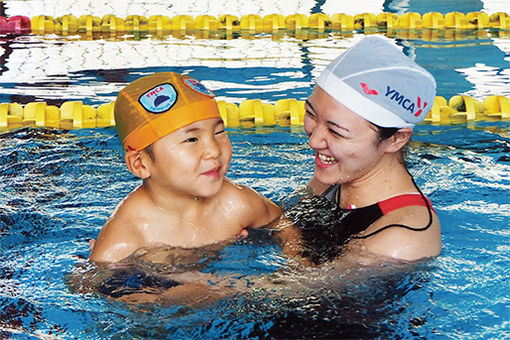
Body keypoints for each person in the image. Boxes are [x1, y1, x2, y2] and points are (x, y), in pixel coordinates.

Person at [276, 36, 441, 265]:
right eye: (311, 114)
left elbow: (302, 291)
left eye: (336, 132)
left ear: (396, 139)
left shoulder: (402, 237)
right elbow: (286, 224)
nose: (314, 140)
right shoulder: (336, 174)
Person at [89, 72, 282, 264]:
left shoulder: (237, 203)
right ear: (140, 164)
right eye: (191, 139)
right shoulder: (128, 236)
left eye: (219, 132)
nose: (213, 150)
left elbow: (284, 226)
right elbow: (94, 286)